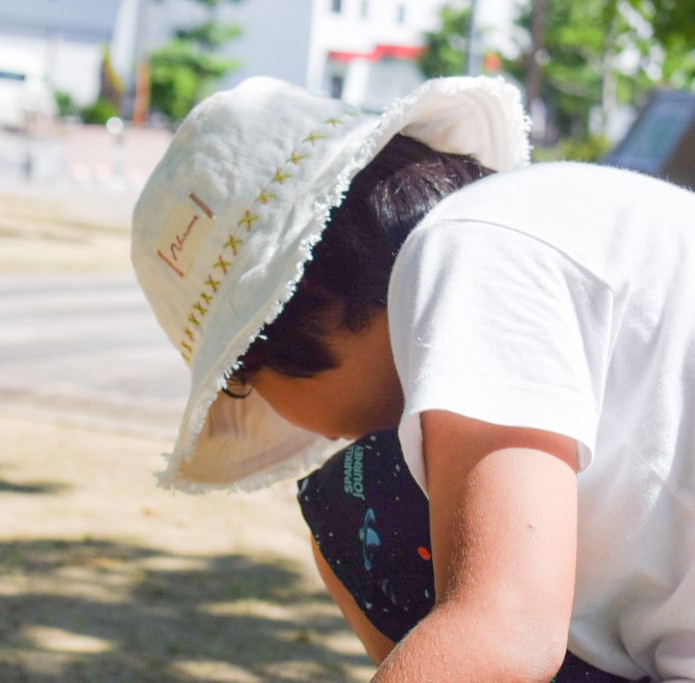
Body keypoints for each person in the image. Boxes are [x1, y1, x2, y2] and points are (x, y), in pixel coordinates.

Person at [131, 75, 695, 682]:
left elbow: (506, 631)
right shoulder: (544, 218)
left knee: (355, 497)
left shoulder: (470, 249)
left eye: (241, 383)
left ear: (291, 318)